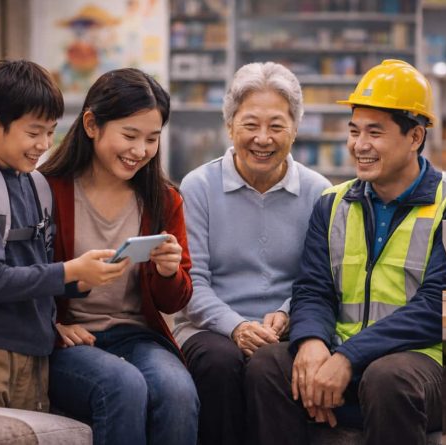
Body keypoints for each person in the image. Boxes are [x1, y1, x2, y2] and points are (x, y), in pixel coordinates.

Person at [243, 59, 446, 445]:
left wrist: (347, 358)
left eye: (375, 132)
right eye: (354, 131)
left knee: (387, 377)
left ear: (415, 137)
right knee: (266, 365)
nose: (360, 145)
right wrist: (311, 344)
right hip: (343, 353)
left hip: (424, 365)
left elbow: (437, 307)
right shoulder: (332, 204)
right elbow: (312, 288)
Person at [0, 60, 128, 411]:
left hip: (33, 358)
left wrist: (80, 281)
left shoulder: (35, 184)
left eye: (51, 132)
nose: (44, 144)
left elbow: (33, 270)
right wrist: (70, 271)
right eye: (34, 133)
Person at [172, 61, 331, 445]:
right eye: (250, 124)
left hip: (285, 330)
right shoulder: (198, 186)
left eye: (277, 125)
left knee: (267, 366)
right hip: (209, 328)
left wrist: (288, 314)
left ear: (295, 129)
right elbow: (193, 281)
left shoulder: (319, 192)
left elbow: (322, 280)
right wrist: (236, 327)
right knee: (219, 361)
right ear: (230, 126)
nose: (263, 138)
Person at [39, 68, 199, 445]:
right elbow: (26, 275)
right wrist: (51, 327)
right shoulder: (47, 189)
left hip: (137, 336)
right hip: (69, 341)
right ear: (92, 124)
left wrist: (169, 272)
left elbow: (174, 300)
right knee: (123, 386)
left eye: (151, 139)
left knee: (178, 391)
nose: (139, 151)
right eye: (129, 135)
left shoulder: (164, 199)